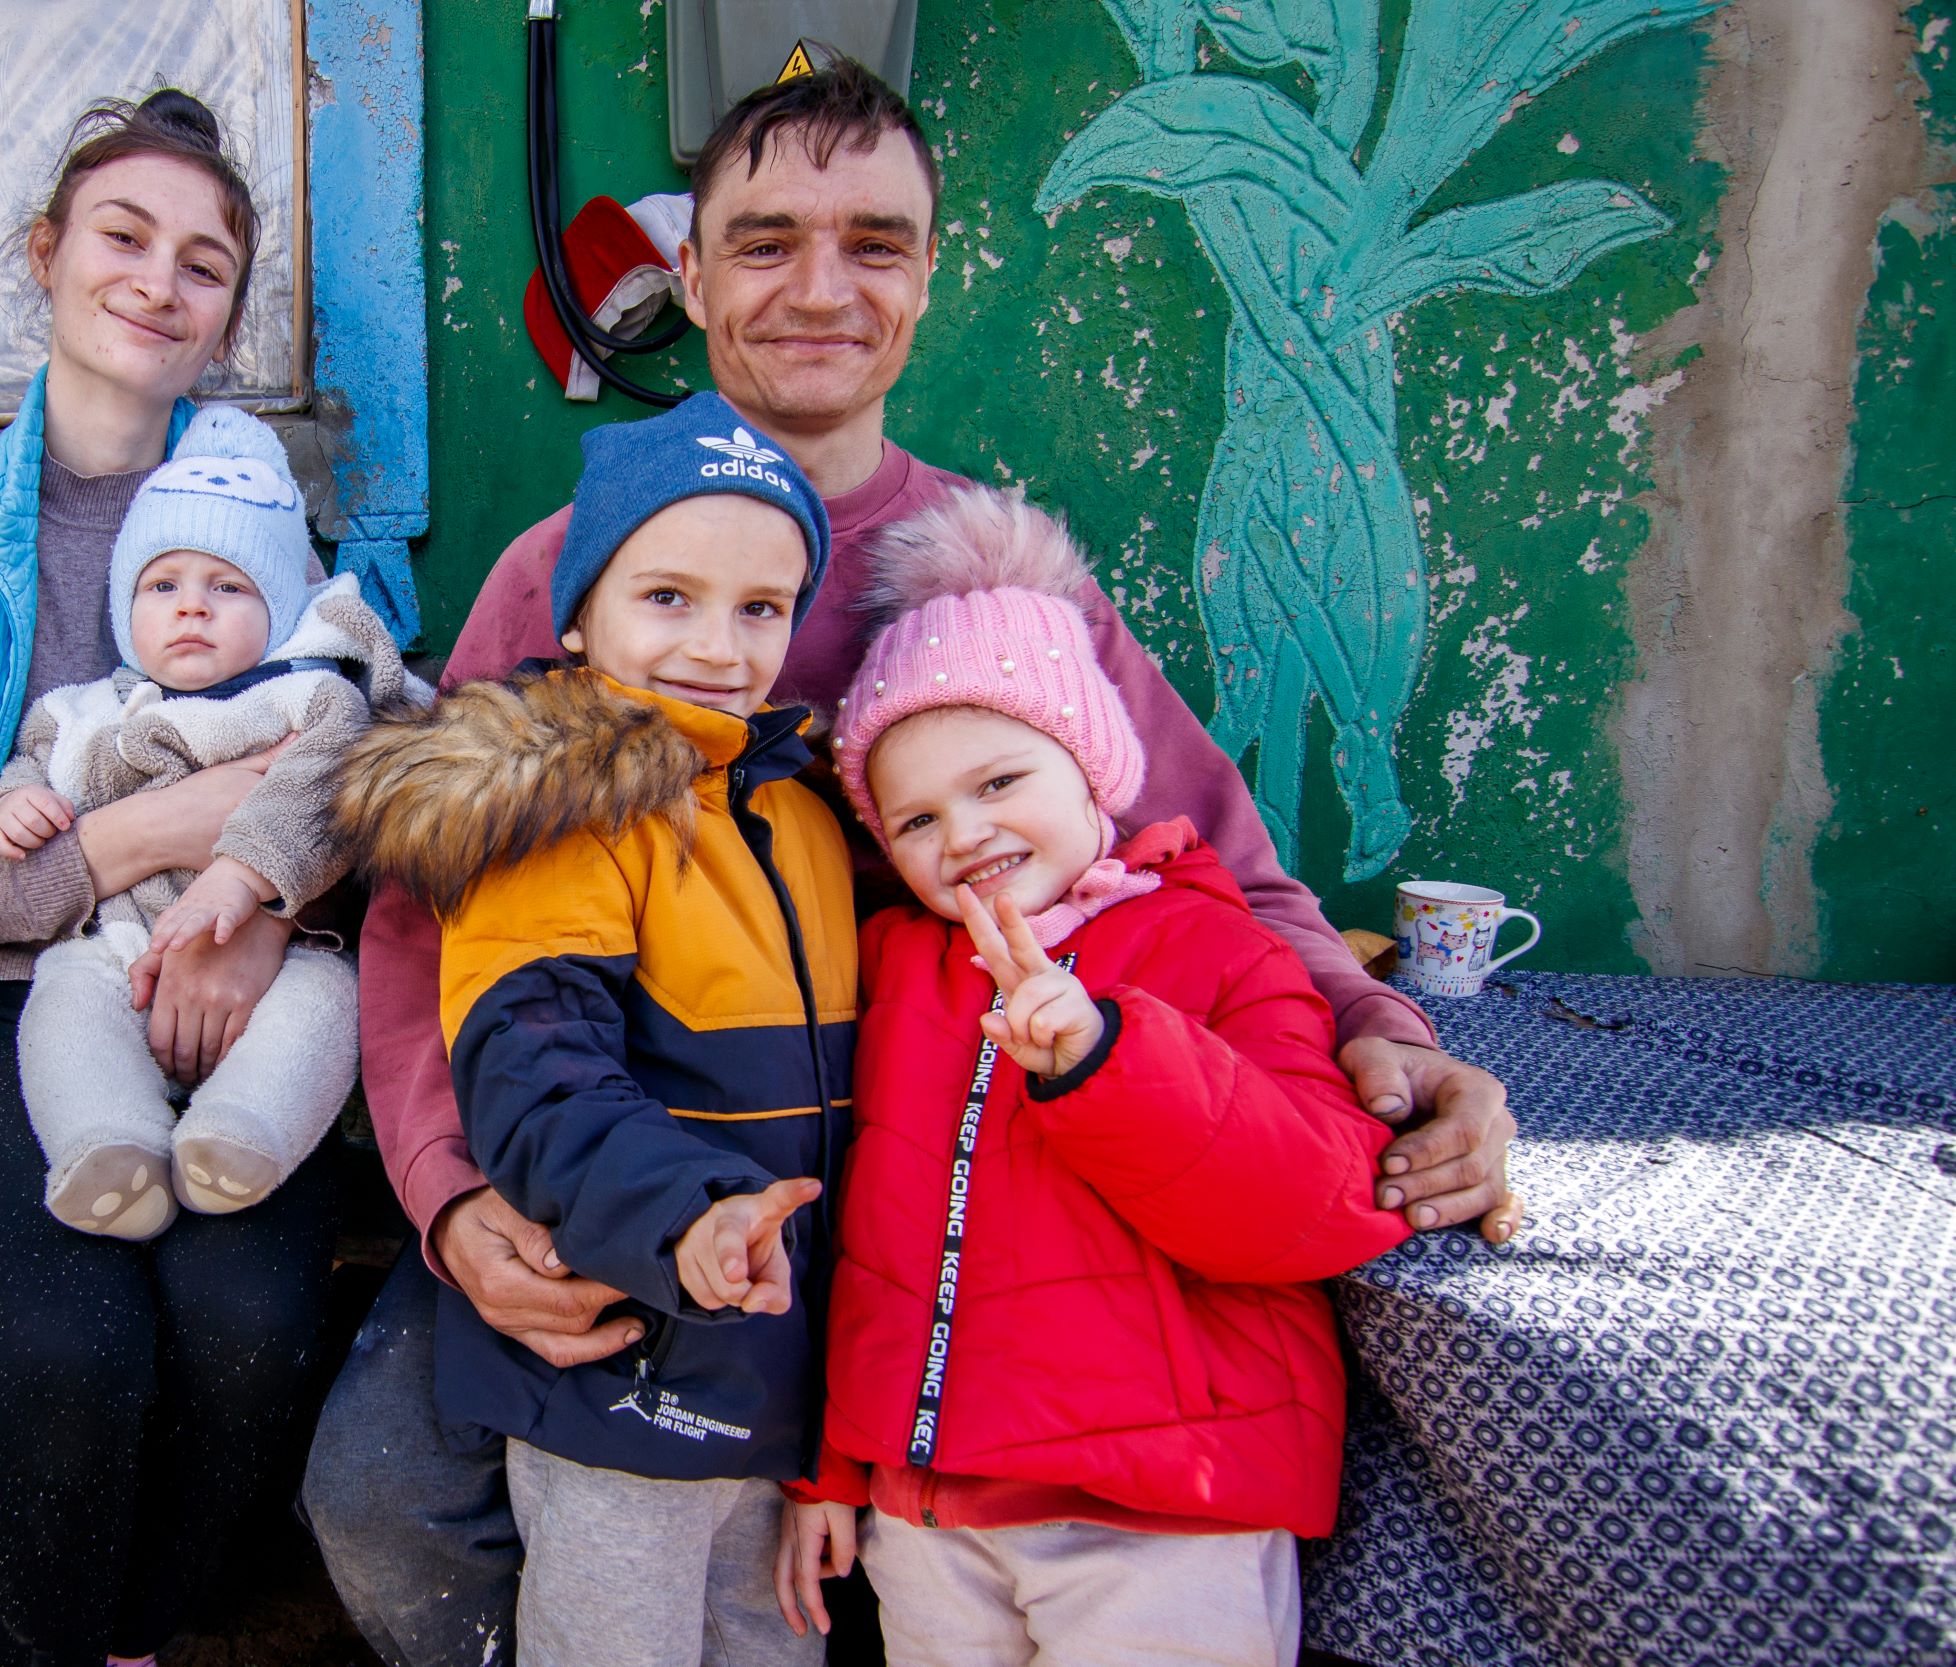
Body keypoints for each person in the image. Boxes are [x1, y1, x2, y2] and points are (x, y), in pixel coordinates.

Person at [303, 59, 1519, 1667]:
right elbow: (420, 909)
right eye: (766, 239)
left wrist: (1390, 1040)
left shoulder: (989, 576)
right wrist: (452, 1194)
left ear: (930, 276)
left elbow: (1219, 858)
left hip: (928, 1165)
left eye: (875, 240)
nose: (821, 286)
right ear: (694, 274)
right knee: (384, 1494)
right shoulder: (575, 565)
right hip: (598, 1133)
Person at [0, 91, 338, 1665]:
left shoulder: (271, 509)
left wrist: (257, 915)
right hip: (0, 1008)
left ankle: (156, 1623)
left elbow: (369, 776)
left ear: (227, 318)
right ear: (49, 255)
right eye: (123, 237)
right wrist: (154, 830)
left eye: (205, 262)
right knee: (74, 1343)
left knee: (254, 1326)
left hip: (241, 982)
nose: (158, 281)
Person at [774, 485, 1411, 1666]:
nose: (960, 834)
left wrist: (1109, 1062)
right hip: (931, 1512)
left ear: (1090, 768)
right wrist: (836, 1464)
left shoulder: (1215, 946)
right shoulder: (897, 970)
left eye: (999, 781)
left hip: (1161, 1513)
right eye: (912, 819)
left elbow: (1324, 1203)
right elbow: (869, 1245)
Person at [334, 391, 847, 1667]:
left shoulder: (805, 822)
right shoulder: (560, 817)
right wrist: (688, 1214)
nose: (718, 646)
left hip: (775, 1371)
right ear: (576, 619)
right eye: (666, 597)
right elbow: (530, 1076)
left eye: (760, 607)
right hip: (624, 1369)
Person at [0, 404, 426, 1238]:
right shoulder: (89, 710)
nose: (192, 608)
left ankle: (241, 1135)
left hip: (276, 948)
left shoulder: (307, 692)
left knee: (325, 1003)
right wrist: (10, 804)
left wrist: (241, 874)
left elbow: (329, 783)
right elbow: (35, 764)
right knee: (64, 994)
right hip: (124, 946)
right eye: (162, 586)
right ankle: (109, 1145)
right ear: (125, 608)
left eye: (228, 586)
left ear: (282, 607)